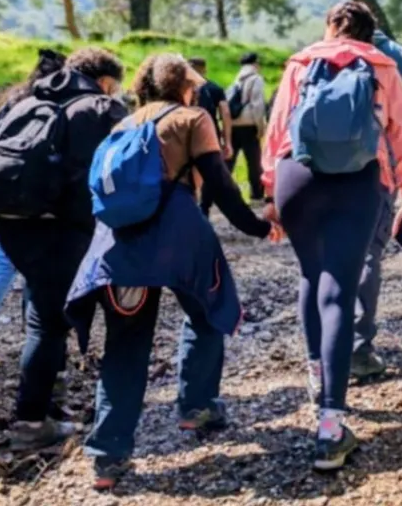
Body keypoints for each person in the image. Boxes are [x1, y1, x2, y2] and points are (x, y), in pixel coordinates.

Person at [65, 53, 276, 490]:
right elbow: (220, 183)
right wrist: (258, 226)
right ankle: (196, 405)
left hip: (118, 244)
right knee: (206, 312)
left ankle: (107, 456)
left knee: (125, 345)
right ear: (185, 87)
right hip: (179, 237)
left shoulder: (123, 124)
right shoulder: (192, 118)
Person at [262, 0, 402, 472]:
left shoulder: (300, 62)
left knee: (310, 276)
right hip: (358, 180)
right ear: (370, 34)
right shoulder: (382, 66)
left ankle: (316, 374)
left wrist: (271, 192)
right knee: (338, 292)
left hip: (296, 177)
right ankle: (331, 430)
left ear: (331, 27)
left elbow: (277, 129)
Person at [0, 48, 129, 451]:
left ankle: (52, 399)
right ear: (105, 81)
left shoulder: (25, 99)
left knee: (43, 308)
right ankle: (31, 423)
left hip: (11, 224)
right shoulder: (99, 108)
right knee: (48, 323)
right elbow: (103, 175)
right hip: (59, 228)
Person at [0, 49, 67, 370]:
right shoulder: (56, 107)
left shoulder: (15, 102)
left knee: (2, 266)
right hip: (27, 201)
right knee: (10, 267)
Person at [351, 27, 402, 379]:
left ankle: (321, 353)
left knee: (322, 260)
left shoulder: (315, 55)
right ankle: (358, 350)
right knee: (368, 252)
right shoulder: (395, 56)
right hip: (376, 167)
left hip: (316, 171)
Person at [190, 56, 234, 216]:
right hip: (210, 136)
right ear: (205, 69)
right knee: (209, 171)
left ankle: (190, 204)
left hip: (187, 135)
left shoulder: (182, 88)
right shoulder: (214, 88)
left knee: (189, 171)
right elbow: (225, 113)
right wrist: (227, 141)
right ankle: (204, 207)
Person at [227, 52, 267, 202]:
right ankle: (256, 194)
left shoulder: (237, 78)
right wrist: (261, 127)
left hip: (233, 124)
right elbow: (257, 105)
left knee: (230, 160)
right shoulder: (256, 79)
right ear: (255, 63)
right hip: (249, 124)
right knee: (254, 161)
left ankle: (220, 191)